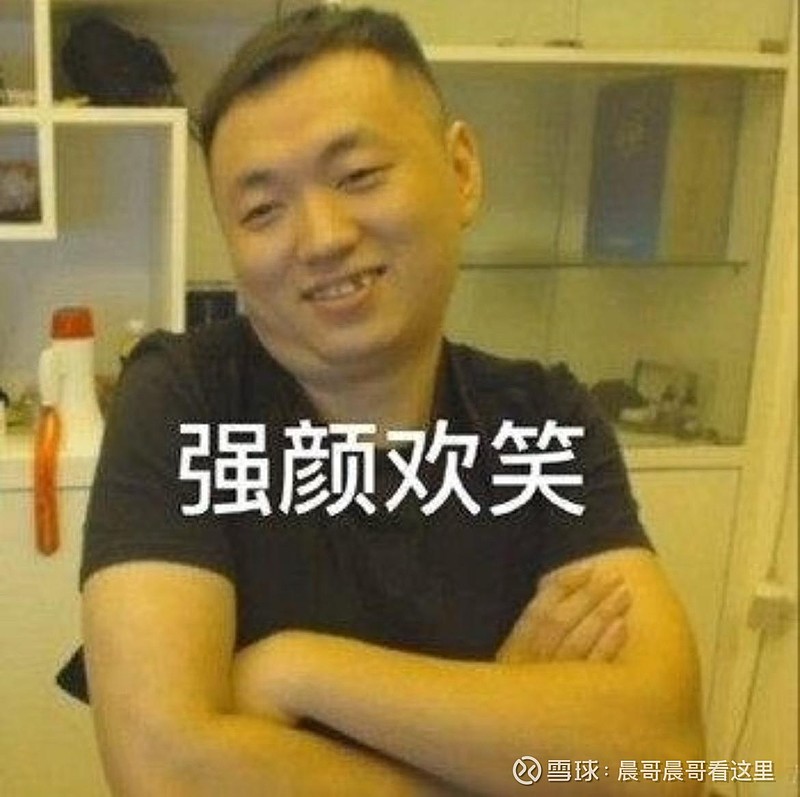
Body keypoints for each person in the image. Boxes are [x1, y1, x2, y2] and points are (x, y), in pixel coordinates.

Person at [58, 5, 704, 795]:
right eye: (262, 211)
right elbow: (168, 770)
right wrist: (501, 756)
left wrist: (295, 671)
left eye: (359, 175)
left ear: (461, 171)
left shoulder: (544, 421)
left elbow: (662, 757)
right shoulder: (186, 401)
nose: (322, 237)